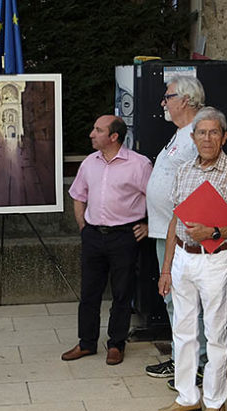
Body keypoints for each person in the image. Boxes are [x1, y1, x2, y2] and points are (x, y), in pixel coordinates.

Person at [156, 107, 227, 411]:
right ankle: (187, 397)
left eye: (214, 132)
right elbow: (174, 221)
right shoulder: (184, 170)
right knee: (183, 332)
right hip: (183, 257)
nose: (208, 138)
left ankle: (214, 400)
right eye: (202, 133)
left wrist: (214, 232)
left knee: (215, 333)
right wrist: (166, 268)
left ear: (224, 137)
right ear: (193, 137)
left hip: (215, 260)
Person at [62, 115, 152, 365]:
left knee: (122, 292)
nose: (91, 134)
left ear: (114, 137)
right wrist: (83, 226)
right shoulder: (90, 163)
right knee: (89, 292)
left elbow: (157, 197)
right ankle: (87, 343)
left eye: (98, 130)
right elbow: (78, 195)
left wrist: (149, 225)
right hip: (93, 235)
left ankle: (116, 344)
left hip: (125, 236)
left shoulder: (139, 164)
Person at [144, 76, 205, 381]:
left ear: (185, 99)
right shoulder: (179, 134)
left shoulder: (198, 133)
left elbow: (203, 182)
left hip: (184, 233)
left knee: (186, 299)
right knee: (172, 297)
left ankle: (199, 364)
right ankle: (182, 358)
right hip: (164, 229)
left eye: (167, 97)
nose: (163, 103)